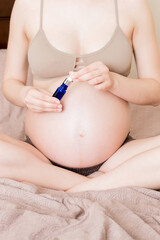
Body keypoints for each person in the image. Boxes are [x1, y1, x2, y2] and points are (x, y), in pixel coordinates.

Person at [1, 0, 160, 192]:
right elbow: (11, 82)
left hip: (117, 156)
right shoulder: (29, 5)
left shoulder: (133, 5)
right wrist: (24, 94)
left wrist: (115, 82)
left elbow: (155, 91)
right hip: (37, 156)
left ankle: (65, 185)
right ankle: (102, 184)